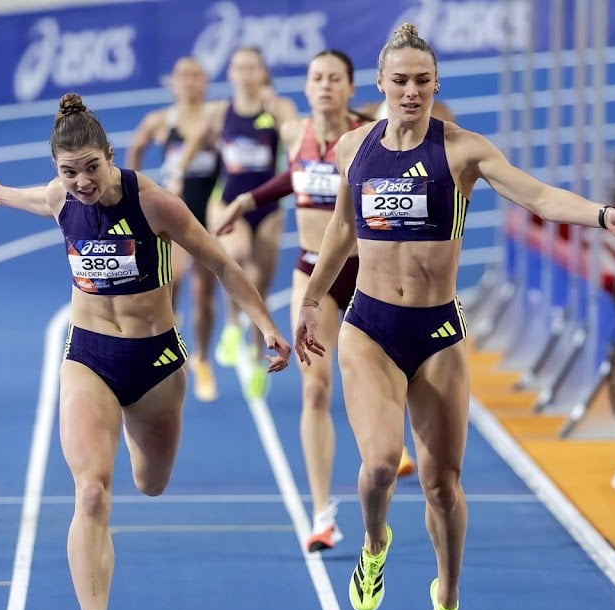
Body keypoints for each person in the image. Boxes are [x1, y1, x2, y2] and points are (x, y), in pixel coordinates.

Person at [293, 23, 615, 610]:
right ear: (380, 84)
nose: (411, 91)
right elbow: (342, 231)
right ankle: (375, 544)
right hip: (370, 327)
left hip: (437, 332)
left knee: (442, 486)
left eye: (422, 80)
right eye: (400, 81)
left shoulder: (462, 151)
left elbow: (539, 195)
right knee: (379, 465)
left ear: (436, 83)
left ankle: (446, 598)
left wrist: (605, 217)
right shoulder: (355, 148)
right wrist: (308, 300)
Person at [0, 93, 291, 610]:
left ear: (111, 157)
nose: (82, 182)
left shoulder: (154, 203)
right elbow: (38, 199)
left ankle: (143, 465)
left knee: (150, 482)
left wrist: (266, 327)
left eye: (92, 167)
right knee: (91, 493)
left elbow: (220, 263)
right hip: (88, 357)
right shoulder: (61, 196)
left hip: (156, 363)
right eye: (69, 172)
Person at [213, 49, 414, 554]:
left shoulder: (371, 135)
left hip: (368, 274)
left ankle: (393, 450)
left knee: (380, 380)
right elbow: (297, 176)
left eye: (334, 78)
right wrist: (247, 199)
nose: (325, 85)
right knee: (316, 391)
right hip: (312, 274)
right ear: (305, 87)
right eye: (317, 78)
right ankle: (322, 515)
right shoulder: (293, 133)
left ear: (351, 88)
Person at [178, 46, 297, 399]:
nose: (245, 74)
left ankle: (258, 358)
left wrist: (281, 119)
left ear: (262, 73)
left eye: (252, 68)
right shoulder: (219, 112)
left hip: (268, 206)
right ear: (230, 74)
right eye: (239, 68)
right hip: (230, 200)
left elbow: (296, 136)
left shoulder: (277, 107)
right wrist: (178, 175)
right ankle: (231, 326)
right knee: (237, 256)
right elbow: (193, 144)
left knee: (260, 286)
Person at [126, 56, 223, 403]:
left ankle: (203, 359)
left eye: (197, 75)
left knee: (204, 295)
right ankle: (170, 345)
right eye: (184, 75)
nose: (190, 81)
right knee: (173, 281)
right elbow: (135, 149)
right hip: (175, 215)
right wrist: (134, 193)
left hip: (208, 212)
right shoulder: (160, 121)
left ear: (205, 81)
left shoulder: (216, 115)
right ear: (173, 82)